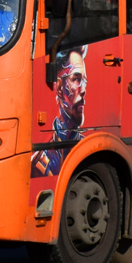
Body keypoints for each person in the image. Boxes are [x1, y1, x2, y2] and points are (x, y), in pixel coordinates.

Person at [31, 47, 86, 178]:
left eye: (84, 81)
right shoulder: (38, 162)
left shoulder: (90, 149)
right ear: (60, 87)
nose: (83, 90)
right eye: (76, 79)